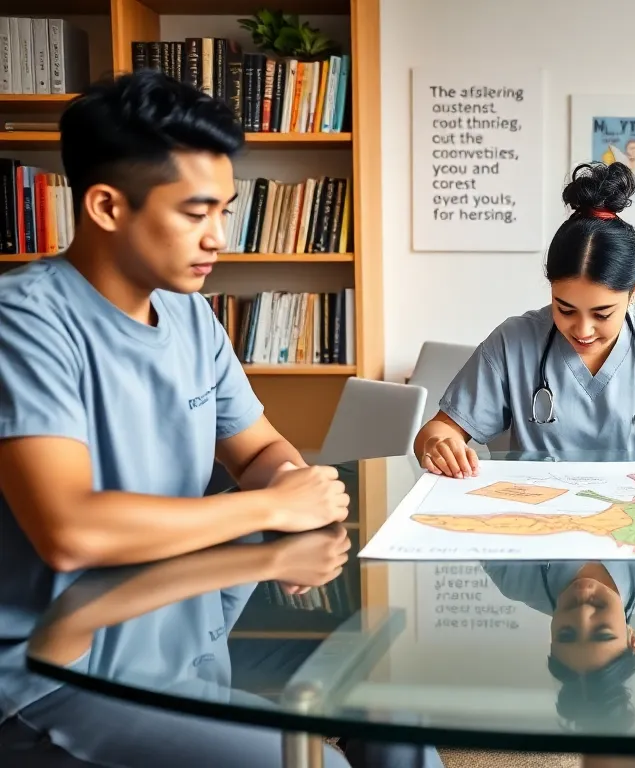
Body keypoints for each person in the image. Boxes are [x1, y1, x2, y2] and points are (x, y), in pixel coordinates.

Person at [0, 69, 435, 768]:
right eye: (196, 213)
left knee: (397, 720)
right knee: (311, 763)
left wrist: (300, 499)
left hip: (182, 647)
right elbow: (70, 531)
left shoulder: (189, 314)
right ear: (108, 206)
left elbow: (257, 447)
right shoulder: (24, 321)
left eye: (226, 211)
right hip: (53, 679)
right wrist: (269, 518)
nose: (220, 237)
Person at [415, 161, 635, 477]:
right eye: (565, 309)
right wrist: (438, 444)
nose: (583, 330)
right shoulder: (512, 342)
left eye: (603, 313)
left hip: (632, 517)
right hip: (538, 516)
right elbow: (440, 429)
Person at [483, 561, 635, 731]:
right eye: (602, 633)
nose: (583, 613)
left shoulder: (512, 575)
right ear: (632, 639)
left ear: (552, 639)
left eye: (566, 635)